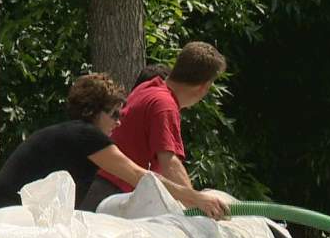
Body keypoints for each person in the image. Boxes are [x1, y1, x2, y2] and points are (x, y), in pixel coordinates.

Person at [0, 73, 229, 218]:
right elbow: (139, 176)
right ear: (90, 111)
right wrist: (195, 197)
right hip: (0, 216)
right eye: (114, 114)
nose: (118, 123)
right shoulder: (86, 136)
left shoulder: (72, 134)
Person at [81, 42, 227, 211]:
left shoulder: (149, 87)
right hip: (109, 194)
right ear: (204, 87)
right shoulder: (164, 105)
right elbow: (169, 164)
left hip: (97, 185)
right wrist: (196, 204)